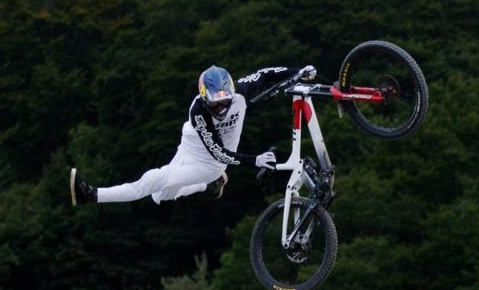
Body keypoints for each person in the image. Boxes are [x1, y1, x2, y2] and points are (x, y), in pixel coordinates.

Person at [70, 63, 315, 206]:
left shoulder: (240, 92)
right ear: (203, 98)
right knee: (160, 196)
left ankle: (91, 195)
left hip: (211, 164)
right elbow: (217, 147)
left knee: (152, 181)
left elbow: (267, 73)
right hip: (194, 148)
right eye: (214, 104)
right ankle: (205, 186)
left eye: (224, 102)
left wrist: (299, 70)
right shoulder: (198, 110)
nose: (220, 108)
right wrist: (255, 160)